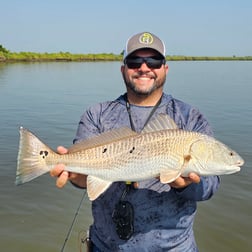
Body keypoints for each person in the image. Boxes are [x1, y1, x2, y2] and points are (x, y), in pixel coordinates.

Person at [50, 32, 220, 252]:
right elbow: (84, 180)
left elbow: (210, 186)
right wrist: (74, 174)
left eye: (154, 61)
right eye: (134, 61)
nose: (144, 67)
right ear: (123, 69)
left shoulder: (189, 118)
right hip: (106, 246)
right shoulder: (98, 114)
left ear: (165, 69)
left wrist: (185, 187)